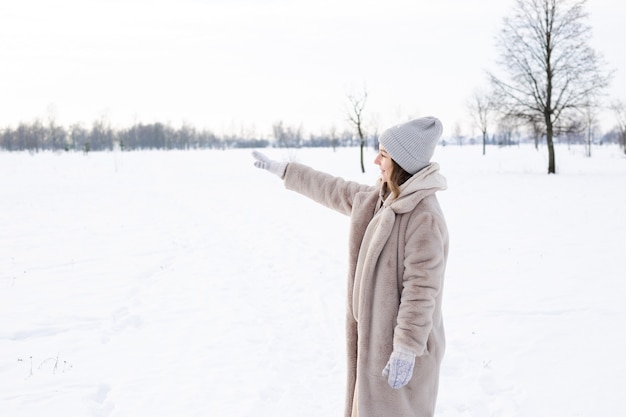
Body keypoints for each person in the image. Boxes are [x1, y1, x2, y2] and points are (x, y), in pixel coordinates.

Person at [252, 116, 449, 417]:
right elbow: (334, 189)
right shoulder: (381, 199)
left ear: (402, 162)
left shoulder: (424, 217)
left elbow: (421, 291)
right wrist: (286, 171)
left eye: (383, 154)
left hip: (402, 351)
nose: (375, 160)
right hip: (374, 346)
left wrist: (407, 348)